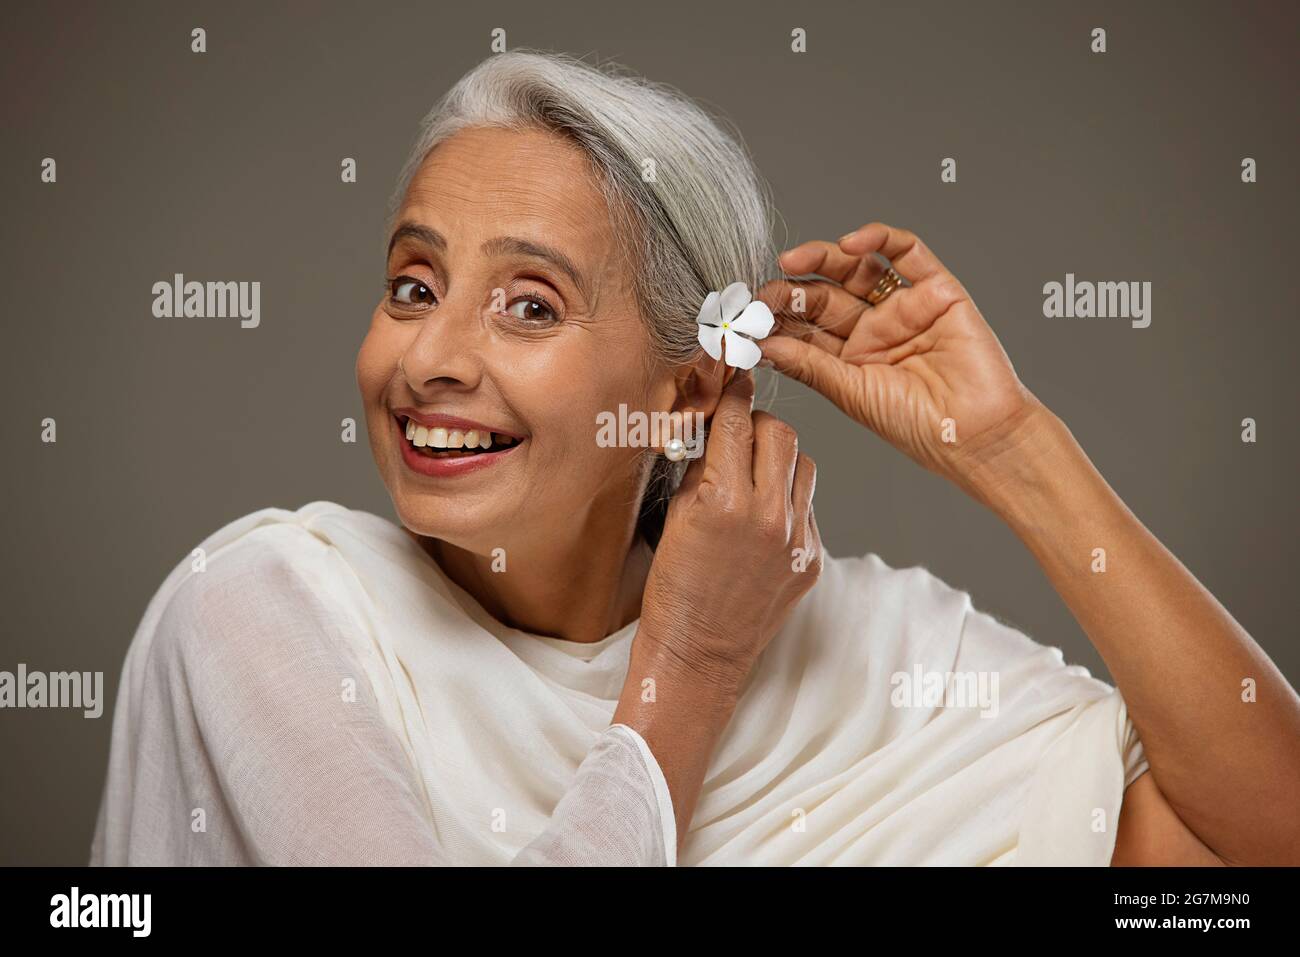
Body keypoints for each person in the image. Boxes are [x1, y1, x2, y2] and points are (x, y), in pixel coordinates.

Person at [91, 50, 1299, 867]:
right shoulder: (266, 610)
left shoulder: (866, 654)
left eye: (528, 306)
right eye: (414, 286)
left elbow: (1248, 853)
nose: (432, 359)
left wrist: (1012, 447)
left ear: (689, 395)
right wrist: (690, 663)